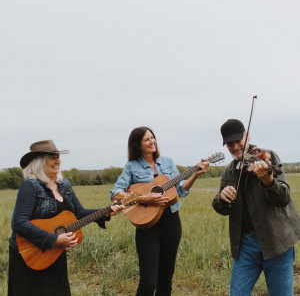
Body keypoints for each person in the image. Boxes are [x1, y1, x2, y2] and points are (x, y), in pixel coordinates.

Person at [8, 140, 124, 296]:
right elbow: (18, 222)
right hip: (31, 253)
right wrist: (53, 240)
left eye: (58, 156)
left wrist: (105, 211)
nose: (58, 161)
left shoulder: (64, 185)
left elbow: (79, 213)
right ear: (39, 162)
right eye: (52, 157)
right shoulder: (30, 186)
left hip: (54, 253)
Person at [110, 126, 210, 296]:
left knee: (165, 280)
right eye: (147, 139)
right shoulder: (132, 167)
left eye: (153, 138)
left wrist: (195, 175)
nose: (152, 141)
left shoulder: (168, 162)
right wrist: (143, 198)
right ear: (137, 144)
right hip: (147, 226)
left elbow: (180, 190)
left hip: (171, 221)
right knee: (148, 282)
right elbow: (116, 193)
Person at [212, 119, 300, 296]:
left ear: (247, 136)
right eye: (230, 143)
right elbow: (220, 208)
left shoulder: (269, 157)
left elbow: (283, 198)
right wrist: (222, 198)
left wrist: (268, 181)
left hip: (277, 241)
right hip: (245, 245)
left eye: (239, 141)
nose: (235, 146)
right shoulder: (229, 171)